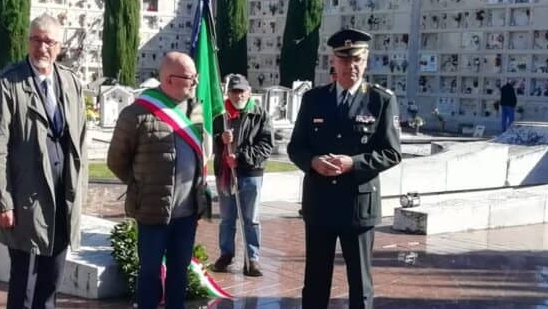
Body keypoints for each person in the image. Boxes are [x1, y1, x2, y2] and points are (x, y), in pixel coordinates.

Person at [287, 28, 402, 309]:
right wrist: (313, 162)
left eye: (357, 59)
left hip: (357, 206)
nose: (351, 66)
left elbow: (392, 153)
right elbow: (296, 147)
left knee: (360, 284)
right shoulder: (314, 99)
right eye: (344, 59)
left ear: (366, 61)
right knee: (315, 281)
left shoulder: (381, 100)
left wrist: (354, 163)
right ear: (333, 61)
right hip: (320, 203)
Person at [0, 14, 89, 309]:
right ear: (28, 41)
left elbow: (80, 141)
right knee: (24, 283)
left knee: (51, 280)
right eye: (36, 40)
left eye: (49, 41)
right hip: (26, 199)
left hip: (62, 196)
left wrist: (80, 192)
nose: (42, 47)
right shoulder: (8, 83)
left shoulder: (70, 82)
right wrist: (1, 202)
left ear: (59, 46)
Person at [107, 52, 209, 309]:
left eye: (195, 77)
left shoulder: (194, 110)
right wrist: (142, 185)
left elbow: (201, 154)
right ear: (169, 79)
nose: (196, 83)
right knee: (150, 274)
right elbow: (116, 160)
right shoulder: (137, 113)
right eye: (190, 78)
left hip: (187, 213)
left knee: (179, 272)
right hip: (152, 211)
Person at [210, 74, 273, 277]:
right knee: (227, 219)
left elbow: (266, 146)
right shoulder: (220, 116)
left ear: (249, 92)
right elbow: (207, 142)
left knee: (251, 219)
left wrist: (241, 158)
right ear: (228, 93)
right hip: (225, 174)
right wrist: (220, 139)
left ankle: (252, 258)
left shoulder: (260, 115)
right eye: (234, 91)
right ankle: (226, 254)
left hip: (251, 173)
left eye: (242, 91)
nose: (239, 95)